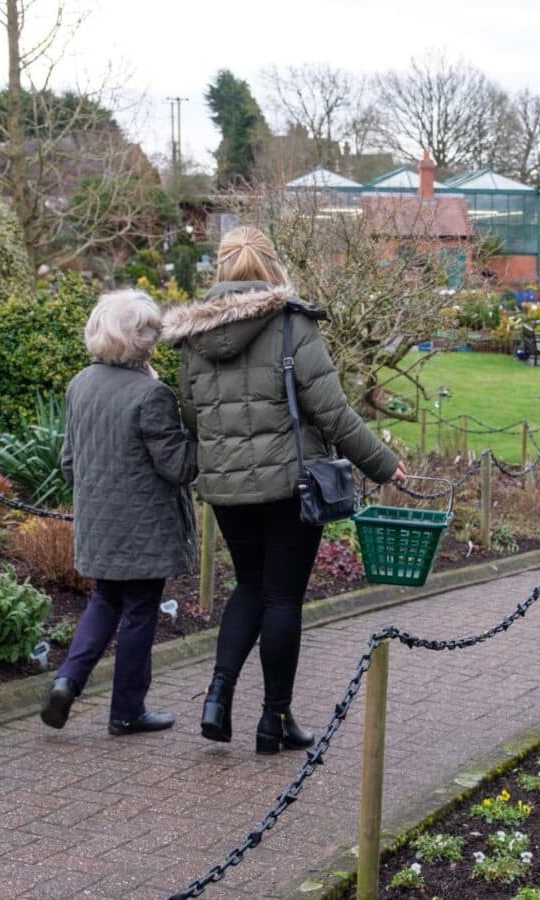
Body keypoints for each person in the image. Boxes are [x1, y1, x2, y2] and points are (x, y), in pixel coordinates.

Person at [162, 225, 407, 755]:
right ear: (272, 266)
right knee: (281, 598)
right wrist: (386, 466)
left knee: (249, 586)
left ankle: (217, 699)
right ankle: (274, 721)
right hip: (291, 485)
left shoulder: (191, 337)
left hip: (226, 489)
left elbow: (191, 413)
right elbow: (334, 413)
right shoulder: (292, 322)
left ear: (222, 270)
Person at [41, 290, 197, 735]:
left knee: (105, 599)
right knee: (140, 610)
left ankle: (67, 681)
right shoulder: (152, 395)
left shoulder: (79, 385)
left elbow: (70, 463)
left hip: (98, 525)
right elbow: (179, 467)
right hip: (145, 529)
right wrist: (202, 434)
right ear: (142, 341)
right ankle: (127, 711)